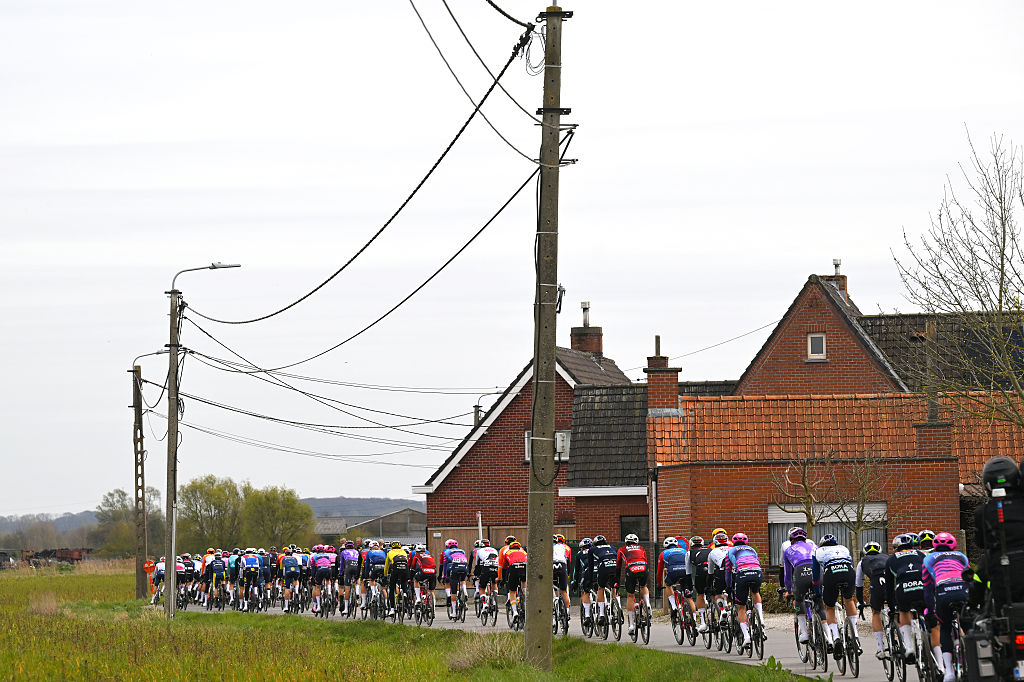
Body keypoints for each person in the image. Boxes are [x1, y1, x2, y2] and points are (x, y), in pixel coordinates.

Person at [972, 455, 1024, 611]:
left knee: (979, 576)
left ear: (988, 484)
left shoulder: (983, 512)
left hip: (1002, 577)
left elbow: (981, 543)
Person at [922, 532, 969, 682]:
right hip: (963, 591)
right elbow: (969, 577)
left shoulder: (928, 559)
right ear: (954, 545)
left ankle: (948, 672)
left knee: (945, 627)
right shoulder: (961, 556)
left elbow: (928, 589)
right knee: (968, 624)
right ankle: (970, 656)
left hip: (944, 593)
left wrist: (930, 610)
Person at [812, 533, 859, 659]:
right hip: (848, 571)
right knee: (849, 600)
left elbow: (816, 578)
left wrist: (817, 592)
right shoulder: (843, 548)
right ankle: (856, 636)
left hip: (831, 573)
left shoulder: (817, 551)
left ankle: (837, 638)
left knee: (829, 607)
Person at [887, 533, 928, 665]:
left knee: (904, 612)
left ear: (896, 548)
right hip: (923, 589)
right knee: (928, 611)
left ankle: (909, 647)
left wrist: (892, 607)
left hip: (904, 590)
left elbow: (889, 587)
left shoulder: (891, 559)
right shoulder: (922, 554)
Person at [724, 532, 763, 652]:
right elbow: (757, 563)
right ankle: (761, 620)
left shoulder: (730, 552)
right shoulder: (752, 550)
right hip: (757, 572)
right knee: (755, 593)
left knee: (741, 607)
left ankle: (746, 636)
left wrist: (729, 587)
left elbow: (728, 572)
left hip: (742, 574)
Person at [855, 540, 890, 659]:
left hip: (876, 585)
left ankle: (880, 648)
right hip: (890, 584)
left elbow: (859, 584)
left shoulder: (862, 562)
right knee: (896, 610)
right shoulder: (887, 557)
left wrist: (861, 602)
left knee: (876, 612)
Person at [783, 527, 818, 645]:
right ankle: (824, 630)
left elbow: (787, 575)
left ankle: (804, 632)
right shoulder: (814, 546)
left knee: (799, 599)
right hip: (817, 574)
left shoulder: (788, 549)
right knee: (818, 599)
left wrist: (789, 590)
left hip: (800, 573)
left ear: (791, 540)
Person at [616, 533, 649, 637]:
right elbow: (645, 560)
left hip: (631, 570)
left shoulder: (622, 549)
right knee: (643, 586)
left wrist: (617, 582)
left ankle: (631, 625)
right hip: (643, 568)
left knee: (630, 595)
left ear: (626, 542)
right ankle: (648, 604)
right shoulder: (642, 548)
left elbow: (618, 566)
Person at [656, 536, 688, 624]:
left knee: (668, 584)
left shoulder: (663, 553)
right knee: (687, 591)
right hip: (685, 571)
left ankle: (674, 606)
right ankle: (690, 611)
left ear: (665, 546)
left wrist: (659, 584)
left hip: (673, 571)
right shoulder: (684, 551)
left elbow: (659, 572)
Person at [588, 535, 618, 626]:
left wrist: (590, 580)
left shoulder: (592, 550)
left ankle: (601, 614)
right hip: (615, 567)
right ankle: (617, 606)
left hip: (604, 567)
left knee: (601, 588)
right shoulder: (613, 547)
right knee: (614, 586)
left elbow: (591, 566)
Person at [499, 540, 528, 620]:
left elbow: (504, 568)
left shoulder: (507, 552)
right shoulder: (524, 552)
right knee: (524, 583)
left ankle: (515, 611)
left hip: (513, 568)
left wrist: (504, 580)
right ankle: (525, 596)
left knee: (512, 592)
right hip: (524, 568)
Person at [688, 536, 712, 633]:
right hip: (712, 571)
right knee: (715, 593)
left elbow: (688, 572)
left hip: (701, 572)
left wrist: (689, 586)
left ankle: (703, 622)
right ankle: (722, 610)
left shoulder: (689, 553)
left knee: (700, 594)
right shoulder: (710, 549)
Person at [441, 539, 469, 618]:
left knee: (453, 591)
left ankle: (454, 613)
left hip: (455, 568)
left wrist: (445, 576)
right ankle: (465, 591)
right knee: (462, 580)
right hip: (464, 567)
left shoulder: (446, 552)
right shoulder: (462, 551)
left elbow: (445, 564)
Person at [384, 541, 410, 617]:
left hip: (396, 568)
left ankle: (392, 609)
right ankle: (404, 593)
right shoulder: (403, 552)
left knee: (392, 588)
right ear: (400, 547)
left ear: (392, 547)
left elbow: (386, 566)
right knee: (403, 581)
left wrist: (385, 575)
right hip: (405, 568)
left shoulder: (390, 552)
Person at [573, 538, 595, 626]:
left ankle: (587, 616)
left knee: (585, 592)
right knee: (600, 588)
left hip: (587, 572)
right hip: (599, 571)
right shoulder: (595, 550)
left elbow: (576, 570)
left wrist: (575, 582)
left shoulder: (579, 554)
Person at [473, 539, 499, 611]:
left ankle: (484, 603)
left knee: (482, 587)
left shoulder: (479, 551)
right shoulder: (494, 549)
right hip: (496, 567)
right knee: (494, 583)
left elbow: (477, 564)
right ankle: (494, 600)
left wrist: (476, 575)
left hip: (486, 567)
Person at [552, 534, 572, 623]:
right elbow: (567, 559)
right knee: (563, 591)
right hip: (563, 566)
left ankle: (554, 611)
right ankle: (567, 612)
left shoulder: (545, 547)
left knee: (552, 589)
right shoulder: (564, 547)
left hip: (552, 566)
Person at [339, 541, 360, 615]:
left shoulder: (343, 552)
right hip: (356, 566)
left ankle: (346, 609)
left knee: (347, 588)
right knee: (357, 579)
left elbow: (342, 564)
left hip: (348, 567)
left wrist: (340, 573)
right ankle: (357, 591)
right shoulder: (357, 551)